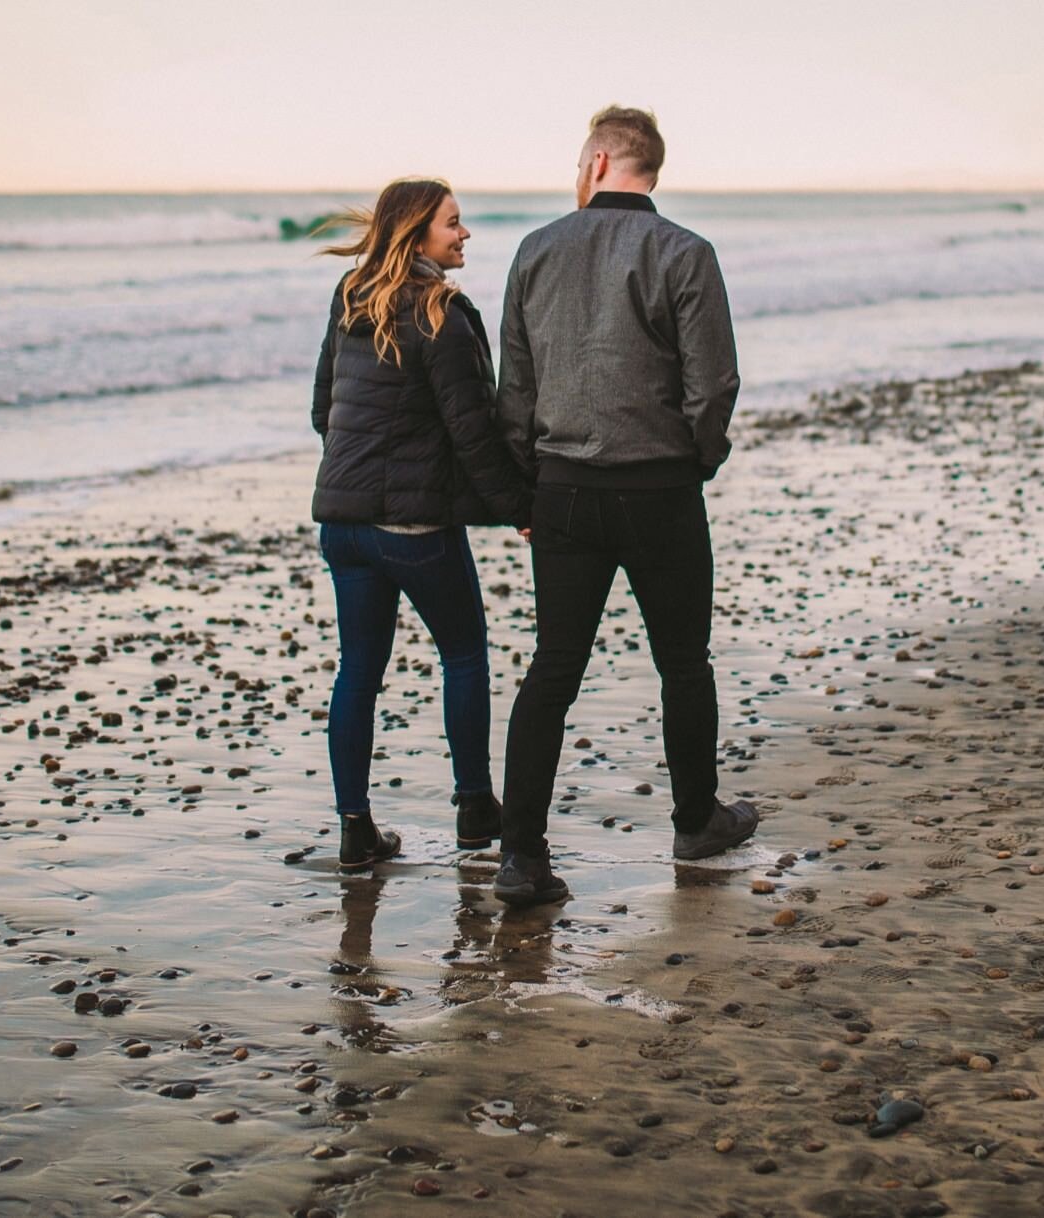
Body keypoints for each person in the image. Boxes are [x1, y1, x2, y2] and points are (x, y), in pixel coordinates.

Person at [491, 107, 757, 906]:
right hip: (661, 490)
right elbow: (714, 384)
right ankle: (694, 820)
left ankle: (520, 857)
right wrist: (696, 461)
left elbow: (516, 391)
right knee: (683, 663)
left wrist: (523, 488)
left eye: (580, 162)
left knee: (553, 670)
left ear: (600, 159)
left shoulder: (535, 250)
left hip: (563, 491)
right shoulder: (685, 251)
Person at [310, 179, 531, 871]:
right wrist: (521, 509)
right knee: (464, 653)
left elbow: (325, 411)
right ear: (417, 233)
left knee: (358, 671)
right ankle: (473, 809)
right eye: (453, 225)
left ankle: (355, 830)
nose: (464, 235)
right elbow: (474, 433)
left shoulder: (351, 298)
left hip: (342, 525)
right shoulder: (441, 311)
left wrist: (363, 475)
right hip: (413, 529)